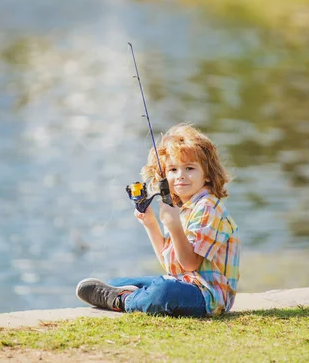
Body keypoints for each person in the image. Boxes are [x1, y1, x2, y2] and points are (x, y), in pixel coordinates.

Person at [76, 123, 240, 317]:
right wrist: (151, 224)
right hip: (184, 283)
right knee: (118, 282)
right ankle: (127, 295)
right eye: (172, 170)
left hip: (207, 297)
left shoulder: (208, 208)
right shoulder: (182, 208)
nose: (180, 176)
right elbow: (171, 264)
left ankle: (125, 300)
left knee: (164, 291)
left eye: (189, 168)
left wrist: (174, 226)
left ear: (207, 174)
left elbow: (189, 264)